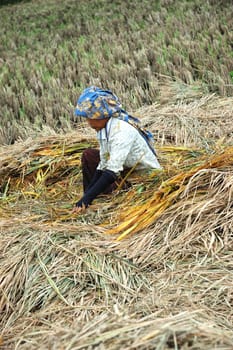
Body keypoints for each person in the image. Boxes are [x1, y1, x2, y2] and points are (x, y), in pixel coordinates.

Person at [72, 86, 162, 213]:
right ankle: (89, 203)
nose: (88, 121)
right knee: (89, 155)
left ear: (101, 115)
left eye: (89, 117)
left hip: (142, 179)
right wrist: (86, 197)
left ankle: (108, 199)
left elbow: (112, 171)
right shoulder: (103, 129)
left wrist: (87, 198)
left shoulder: (121, 131)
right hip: (125, 171)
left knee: (111, 184)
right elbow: (103, 164)